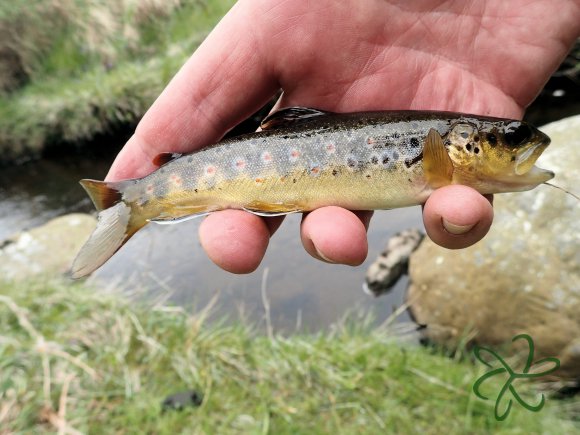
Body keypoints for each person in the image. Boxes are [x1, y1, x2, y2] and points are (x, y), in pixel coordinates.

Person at [105, 0, 580, 273]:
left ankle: (128, 202)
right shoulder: (442, 159)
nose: (523, 145)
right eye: (510, 139)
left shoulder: (451, 159)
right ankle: (129, 202)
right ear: (461, 145)